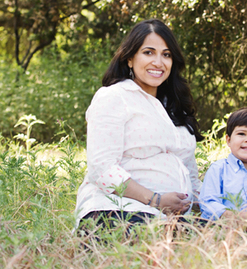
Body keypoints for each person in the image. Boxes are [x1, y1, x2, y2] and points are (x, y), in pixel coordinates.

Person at [75, 19, 204, 231]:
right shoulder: (114, 96)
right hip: (118, 209)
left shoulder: (173, 107)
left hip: (174, 217)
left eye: (166, 54)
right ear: (129, 59)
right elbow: (102, 169)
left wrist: (213, 209)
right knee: (155, 243)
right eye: (148, 52)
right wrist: (155, 200)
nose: (158, 62)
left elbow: (188, 171)